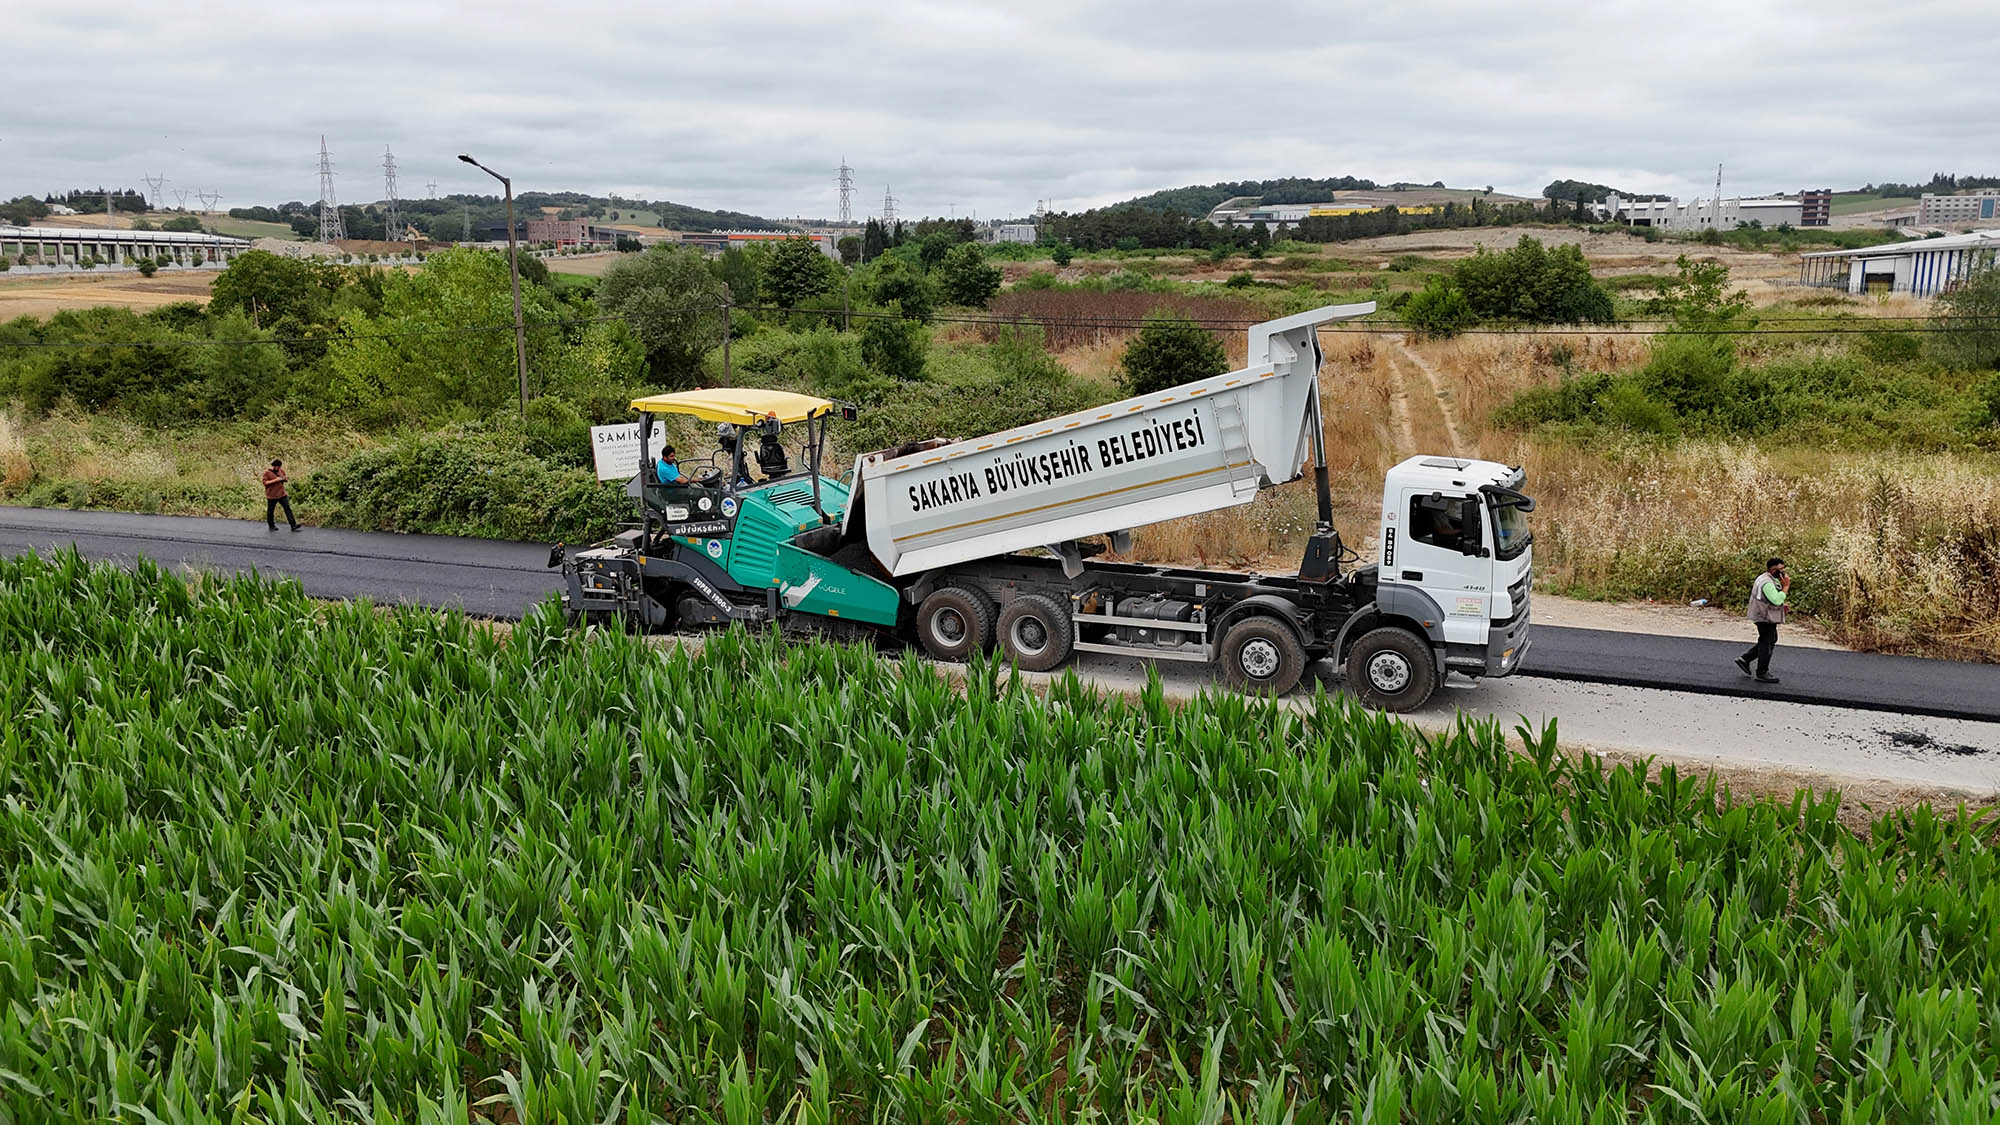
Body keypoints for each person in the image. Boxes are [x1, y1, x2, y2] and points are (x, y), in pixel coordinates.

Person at [1736, 557, 1789, 683]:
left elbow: (1772, 598)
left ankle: (1745, 659)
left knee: (1769, 639)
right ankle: (1762, 673)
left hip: (1762, 614)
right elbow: (1775, 600)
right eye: (1781, 570)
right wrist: (1786, 587)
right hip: (1763, 616)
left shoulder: (1766, 578)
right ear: (1773, 570)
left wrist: (1782, 604)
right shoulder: (1767, 583)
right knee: (1767, 642)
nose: (1784, 573)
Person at [262, 459, 301, 532]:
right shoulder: (266, 473)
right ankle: (271, 525)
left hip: (282, 494)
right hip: (272, 495)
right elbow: (265, 483)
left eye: (280, 467)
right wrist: (276, 480)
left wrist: (284, 479)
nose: (279, 468)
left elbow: (285, 478)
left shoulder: (281, 471)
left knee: (287, 508)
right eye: (278, 467)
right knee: (270, 511)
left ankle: (293, 525)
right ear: (274, 466)